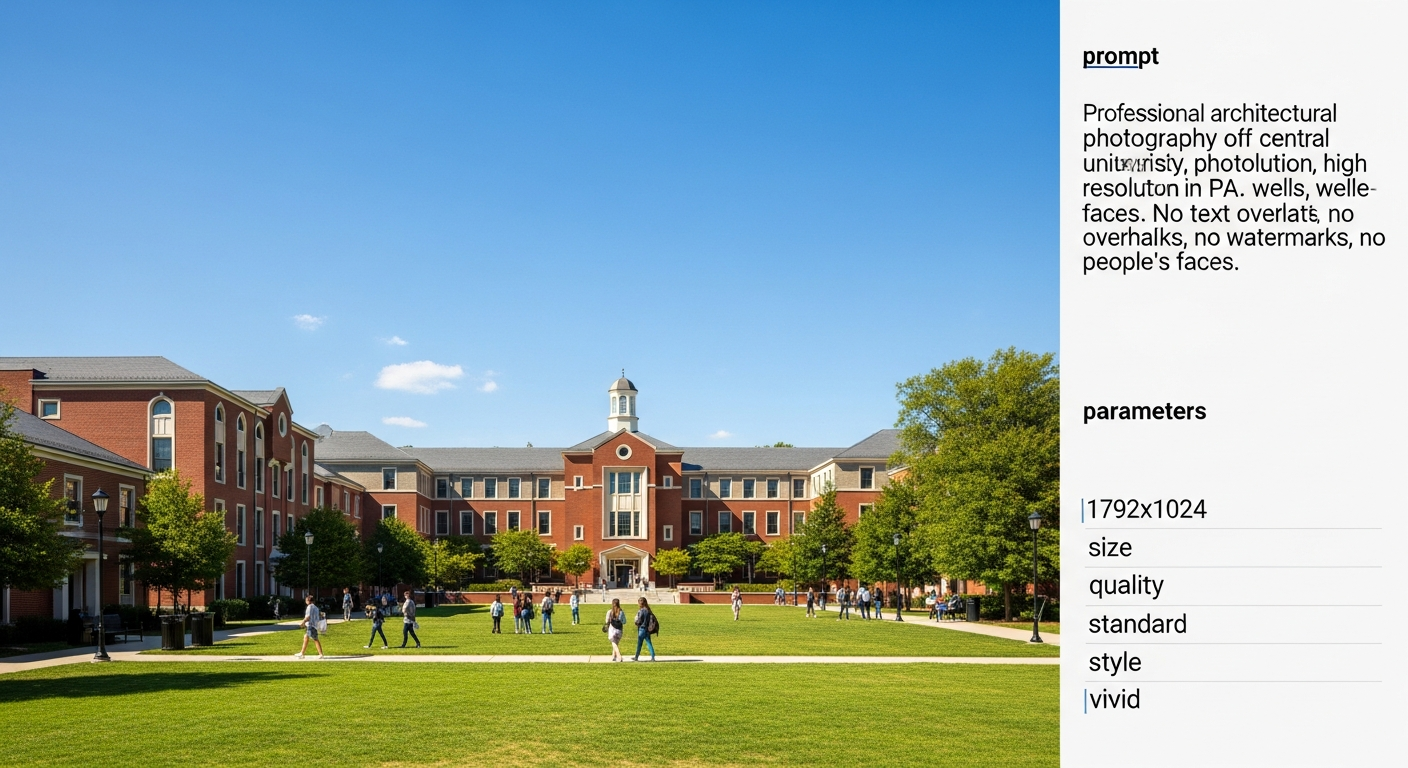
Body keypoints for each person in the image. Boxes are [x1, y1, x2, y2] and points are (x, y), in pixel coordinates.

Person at [295, 595, 325, 659]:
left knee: (311, 638)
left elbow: (308, 616)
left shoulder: (309, 607)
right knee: (310, 638)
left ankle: (303, 653)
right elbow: (320, 616)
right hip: (314, 625)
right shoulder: (316, 608)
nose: (305, 601)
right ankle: (303, 653)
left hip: (310, 625)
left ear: (308, 601)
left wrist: (303, 622)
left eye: (306, 600)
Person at [632, 596, 656, 662]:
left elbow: (639, 621)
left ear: (640, 604)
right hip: (647, 629)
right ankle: (653, 656)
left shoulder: (641, 611)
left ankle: (636, 657)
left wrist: (636, 623)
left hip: (641, 629)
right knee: (649, 643)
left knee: (639, 644)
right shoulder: (648, 611)